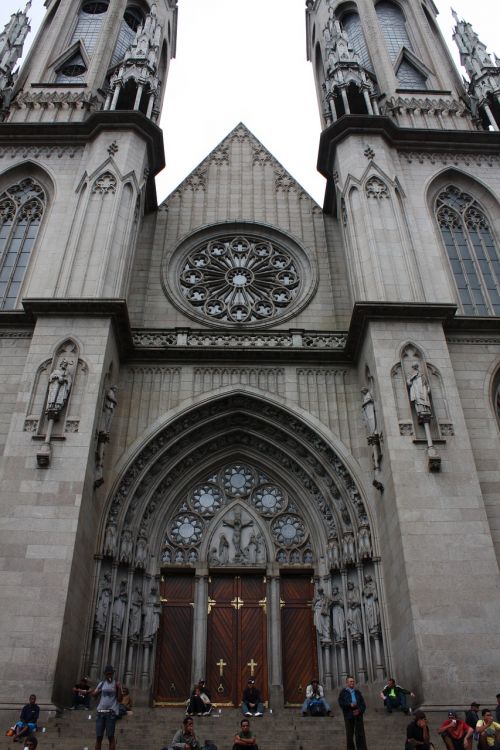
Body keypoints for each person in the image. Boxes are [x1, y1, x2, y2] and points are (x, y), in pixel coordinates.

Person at [90, 664, 122, 750]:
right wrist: (97, 691)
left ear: (112, 674)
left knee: (110, 736)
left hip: (110, 713)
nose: (109, 675)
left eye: (110, 673)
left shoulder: (116, 684)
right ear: (105, 674)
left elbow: (119, 699)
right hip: (100, 712)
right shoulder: (101, 684)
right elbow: (94, 696)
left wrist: (119, 689)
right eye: (107, 674)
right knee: (99, 737)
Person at [338, 676, 367, 750]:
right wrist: (349, 704)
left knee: (360, 735)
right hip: (348, 715)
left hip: (358, 715)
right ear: (347, 683)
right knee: (349, 735)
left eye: (353, 681)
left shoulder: (357, 692)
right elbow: (341, 703)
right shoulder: (343, 693)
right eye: (350, 681)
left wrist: (359, 711)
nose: (352, 683)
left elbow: (363, 704)